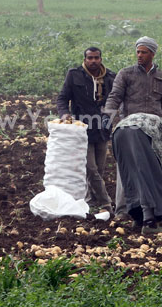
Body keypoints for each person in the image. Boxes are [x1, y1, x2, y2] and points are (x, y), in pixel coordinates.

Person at [104, 36, 162, 218]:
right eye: (138, 52)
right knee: (125, 168)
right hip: (131, 128)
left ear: (152, 54)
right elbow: (114, 96)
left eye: (143, 52)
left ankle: (152, 211)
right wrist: (108, 115)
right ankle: (122, 211)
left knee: (153, 169)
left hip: (153, 129)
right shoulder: (126, 74)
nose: (139, 55)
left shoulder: (161, 77)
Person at [57, 47, 116, 213]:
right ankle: (106, 203)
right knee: (91, 169)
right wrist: (64, 114)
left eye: (96, 58)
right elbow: (62, 98)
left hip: (102, 130)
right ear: (85, 59)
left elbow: (116, 100)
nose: (93, 61)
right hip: (82, 129)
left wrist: (111, 114)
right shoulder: (74, 75)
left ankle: (90, 201)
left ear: (101, 58)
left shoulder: (110, 77)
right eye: (90, 58)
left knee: (100, 169)